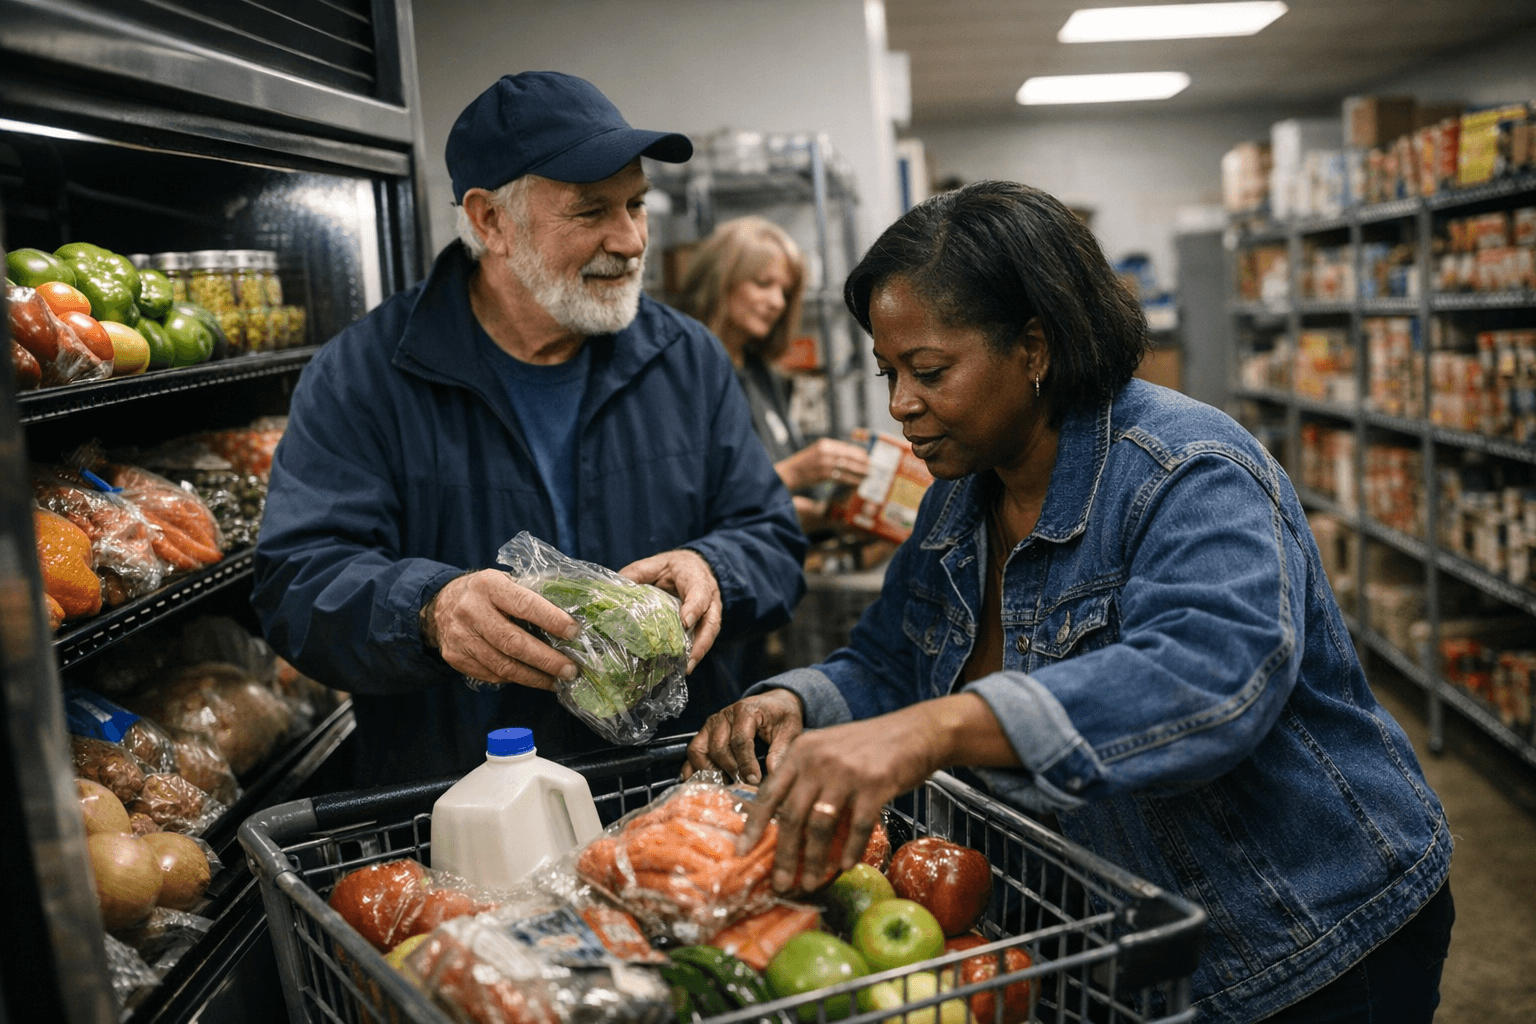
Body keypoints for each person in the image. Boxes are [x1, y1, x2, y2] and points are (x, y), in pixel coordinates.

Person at [686, 181, 1454, 1023]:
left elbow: (1209, 679)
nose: (900, 403)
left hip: (1307, 941)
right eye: (889, 372)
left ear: (1034, 347)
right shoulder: (959, 497)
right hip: (1131, 952)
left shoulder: (1188, 470)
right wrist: (798, 701)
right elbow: (892, 657)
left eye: (929, 371)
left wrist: (932, 730)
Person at [252, 71, 806, 787]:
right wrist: (428, 611)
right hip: (464, 801)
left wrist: (715, 571)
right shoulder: (364, 376)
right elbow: (299, 583)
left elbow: (772, 538)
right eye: (591, 211)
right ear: (490, 221)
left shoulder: (685, 359)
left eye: (636, 204)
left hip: (672, 791)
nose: (631, 239)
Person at [675, 216, 871, 534]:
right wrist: (794, 472)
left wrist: (826, 513)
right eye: (763, 284)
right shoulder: (682, 375)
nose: (777, 303)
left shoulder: (762, 374)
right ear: (720, 281)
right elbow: (689, 503)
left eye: (786, 292)